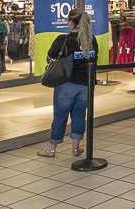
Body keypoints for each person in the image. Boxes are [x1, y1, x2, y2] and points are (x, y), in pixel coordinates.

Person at [38, 8, 97, 158]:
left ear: (71, 23)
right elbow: (93, 60)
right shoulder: (91, 40)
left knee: (60, 116)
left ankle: (52, 149)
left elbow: (50, 56)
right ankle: (76, 148)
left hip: (66, 84)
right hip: (85, 85)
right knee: (79, 115)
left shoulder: (63, 40)